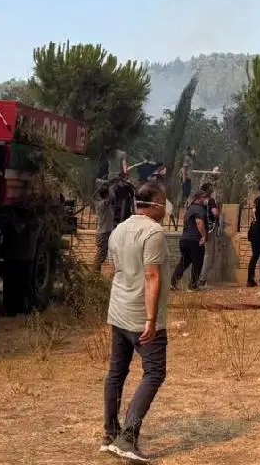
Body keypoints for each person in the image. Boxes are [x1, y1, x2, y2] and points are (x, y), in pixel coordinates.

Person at [101, 183, 169, 462]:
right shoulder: (153, 232)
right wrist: (151, 319)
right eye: (164, 202)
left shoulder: (118, 230)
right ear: (154, 205)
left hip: (118, 311)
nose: (167, 207)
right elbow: (152, 276)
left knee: (117, 372)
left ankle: (109, 433)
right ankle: (127, 437)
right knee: (154, 372)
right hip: (142, 316)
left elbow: (112, 269)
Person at [95, 174, 137, 274]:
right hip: (103, 234)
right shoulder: (103, 205)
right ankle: (94, 274)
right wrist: (114, 181)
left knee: (105, 254)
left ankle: (97, 274)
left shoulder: (105, 205)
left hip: (106, 232)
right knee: (101, 256)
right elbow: (112, 196)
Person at [171, 192, 207, 291]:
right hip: (195, 240)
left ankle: (173, 283)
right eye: (205, 198)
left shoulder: (189, 209)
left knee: (184, 262)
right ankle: (193, 286)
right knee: (197, 262)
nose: (206, 200)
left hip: (184, 239)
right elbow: (199, 222)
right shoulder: (199, 209)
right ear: (199, 199)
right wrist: (204, 236)